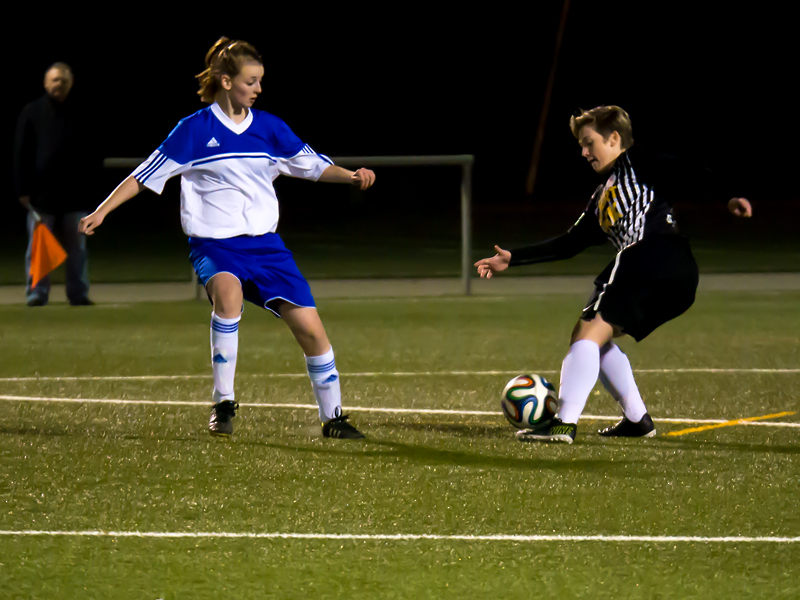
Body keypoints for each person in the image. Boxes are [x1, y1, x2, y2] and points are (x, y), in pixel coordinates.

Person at [78, 37, 376, 439]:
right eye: (251, 81)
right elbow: (143, 175)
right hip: (215, 245)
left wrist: (351, 176)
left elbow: (312, 166)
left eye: (260, 81)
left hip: (267, 247)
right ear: (225, 80)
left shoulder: (270, 128)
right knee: (229, 296)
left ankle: (333, 418)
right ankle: (223, 402)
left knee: (311, 330)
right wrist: (101, 210)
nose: (258, 88)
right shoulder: (194, 130)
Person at [475, 105, 752, 444]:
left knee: (586, 333)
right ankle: (637, 420)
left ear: (615, 137)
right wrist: (513, 258)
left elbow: (689, 170)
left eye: (589, 142)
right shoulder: (602, 195)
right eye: (581, 145)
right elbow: (569, 243)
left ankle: (563, 424)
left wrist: (729, 196)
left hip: (650, 255)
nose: (584, 151)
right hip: (675, 272)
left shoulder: (639, 162)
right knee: (597, 336)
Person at [14, 62, 94, 306]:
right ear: (46, 83)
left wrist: (91, 184)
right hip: (41, 194)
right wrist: (22, 189)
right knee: (38, 247)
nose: (59, 84)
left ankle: (78, 293)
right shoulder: (32, 111)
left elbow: (93, 150)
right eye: (55, 80)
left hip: (75, 194)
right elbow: (21, 151)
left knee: (77, 248)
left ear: (71, 83)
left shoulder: (82, 110)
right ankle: (37, 293)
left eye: (63, 80)